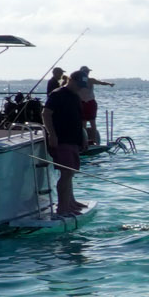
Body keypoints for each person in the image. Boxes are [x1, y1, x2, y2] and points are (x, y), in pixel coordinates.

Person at [43, 74, 88, 215]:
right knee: (66, 172)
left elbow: (78, 118)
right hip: (62, 139)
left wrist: (84, 136)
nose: (80, 89)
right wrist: (52, 134)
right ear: (71, 80)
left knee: (71, 172)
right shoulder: (57, 94)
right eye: (79, 85)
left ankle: (71, 202)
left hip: (74, 138)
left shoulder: (75, 96)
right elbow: (46, 114)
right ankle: (63, 207)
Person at [70, 65, 102, 147]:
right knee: (83, 122)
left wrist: (109, 84)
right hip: (81, 102)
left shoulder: (90, 80)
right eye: (86, 72)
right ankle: (84, 140)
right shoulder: (77, 81)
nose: (87, 73)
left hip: (90, 102)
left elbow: (100, 82)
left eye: (88, 72)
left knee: (92, 122)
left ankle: (94, 140)